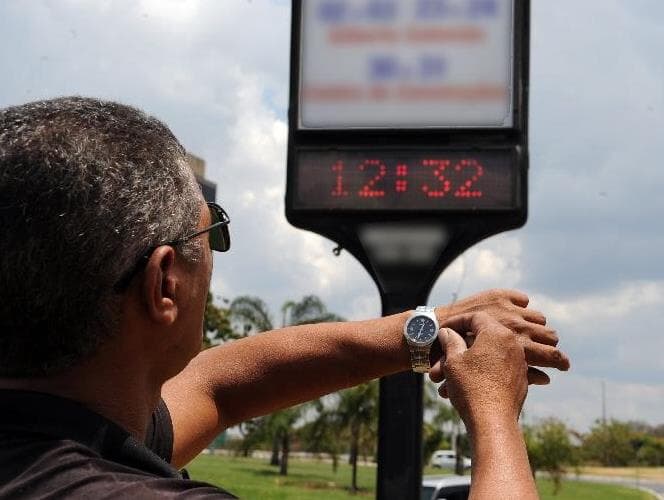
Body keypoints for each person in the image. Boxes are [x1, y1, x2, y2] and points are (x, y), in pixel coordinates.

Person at [0, 97, 569, 499]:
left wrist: (432, 325)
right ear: (165, 282)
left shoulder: (52, 435)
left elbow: (219, 386)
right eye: (212, 232)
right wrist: (495, 409)